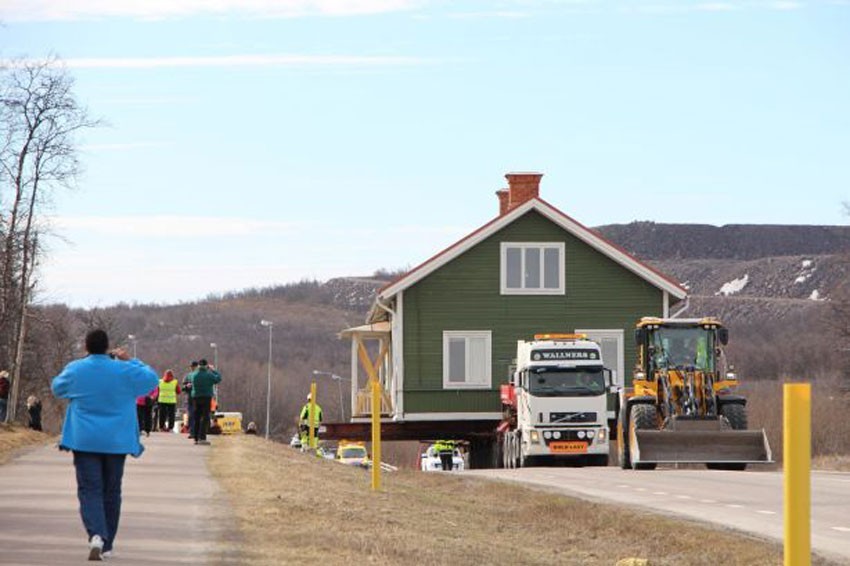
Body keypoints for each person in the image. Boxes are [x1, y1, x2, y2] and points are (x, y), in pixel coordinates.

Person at [51, 329, 158, 561]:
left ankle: (96, 534)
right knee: (112, 491)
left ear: (87, 347)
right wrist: (131, 360)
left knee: (90, 489)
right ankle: (107, 543)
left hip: (85, 440)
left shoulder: (77, 368)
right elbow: (151, 380)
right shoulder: (124, 370)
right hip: (117, 441)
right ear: (107, 347)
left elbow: (57, 388)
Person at [189, 359, 221, 445]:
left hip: (196, 397)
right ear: (206, 366)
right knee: (205, 417)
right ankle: (202, 437)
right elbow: (218, 378)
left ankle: (195, 437)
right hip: (206, 397)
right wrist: (213, 370)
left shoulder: (193, 375)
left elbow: (189, 379)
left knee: (197, 417)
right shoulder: (209, 375)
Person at [182, 361, 197, 437]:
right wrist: (186, 386)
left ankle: (196, 432)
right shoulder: (187, 376)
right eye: (191, 366)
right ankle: (192, 432)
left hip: (197, 398)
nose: (192, 368)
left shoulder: (198, 375)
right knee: (191, 415)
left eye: (193, 366)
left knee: (196, 415)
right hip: (189, 398)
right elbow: (183, 388)